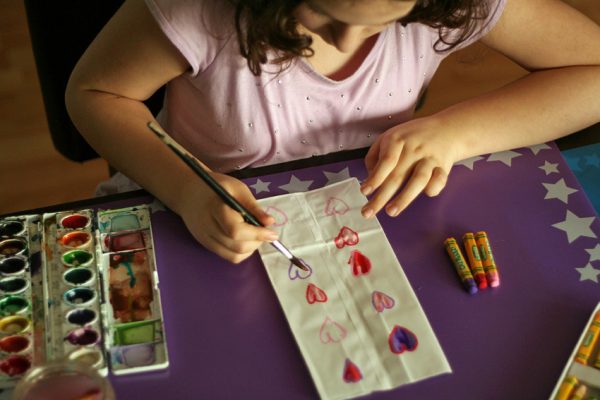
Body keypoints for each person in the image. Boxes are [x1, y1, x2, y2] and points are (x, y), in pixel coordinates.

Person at [66, 0, 600, 264]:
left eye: (384, 19)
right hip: (188, 216)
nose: (349, 39)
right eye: (322, 11)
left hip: (359, 218)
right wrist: (187, 187)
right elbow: (94, 94)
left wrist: (453, 132)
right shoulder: (201, 11)